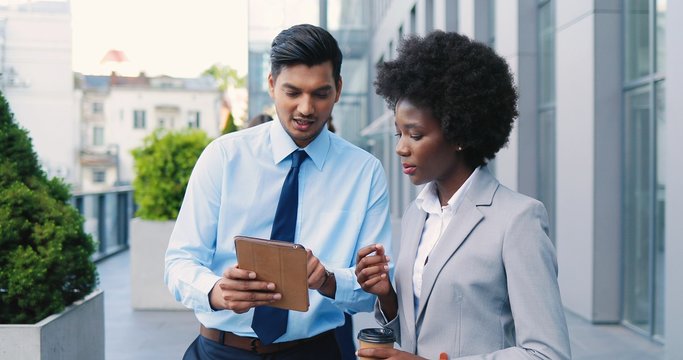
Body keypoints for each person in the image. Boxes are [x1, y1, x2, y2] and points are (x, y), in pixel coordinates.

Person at [165, 24, 392, 360]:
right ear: (271, 85)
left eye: (320, 93)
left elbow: (372, 291)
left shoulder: (365, 172)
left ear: (339, 89)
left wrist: (329, 280)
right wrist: (216, 291)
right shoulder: (224, 156)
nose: (306, 108)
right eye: (293, 92)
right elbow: (179, 262)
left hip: (312, 352)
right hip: (220, 350)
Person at [355, 31, 571, 359]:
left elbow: (547, 354)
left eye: (415, 134)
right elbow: (416, 333)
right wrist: (386, 296)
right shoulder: (417, 214)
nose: (400, 148)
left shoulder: (518, 220)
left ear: (458, 133)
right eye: (398, 133)